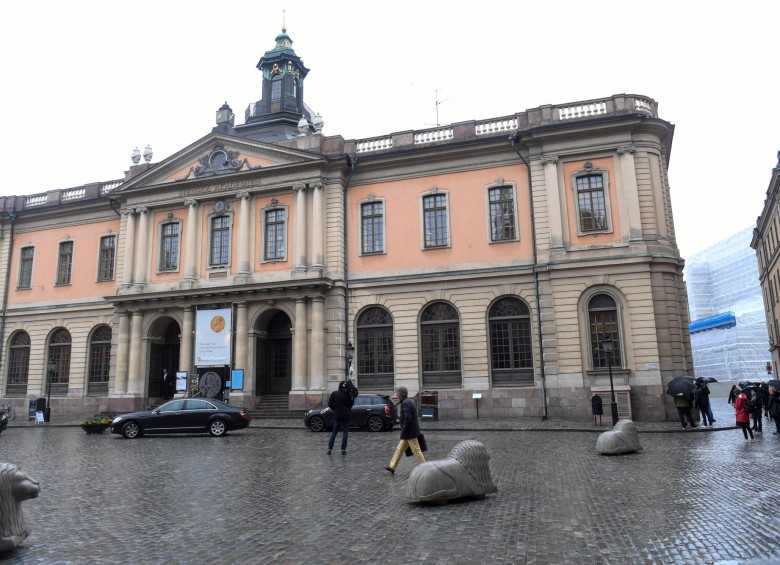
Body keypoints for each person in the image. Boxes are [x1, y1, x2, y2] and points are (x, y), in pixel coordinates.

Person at [385, 386, 425, 475]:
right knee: (399, 449)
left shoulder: (406, 403)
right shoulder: (406, 401)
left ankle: (425, 467)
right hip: (409, 432)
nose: (396, 394)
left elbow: (408, 418)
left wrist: (403, 431)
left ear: (401, 394)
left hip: (410, 432)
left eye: (397, 393)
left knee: (416, 450)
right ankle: (392, 466)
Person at [327, 380, 356, 455]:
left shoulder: (334, 393)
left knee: (334, 432)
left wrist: (335, 409)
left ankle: (330, 448)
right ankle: (343, 449)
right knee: (345, 432)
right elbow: (351, 404)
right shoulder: (348, 394)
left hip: (337, 415)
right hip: (346, 415)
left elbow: (330, 404)